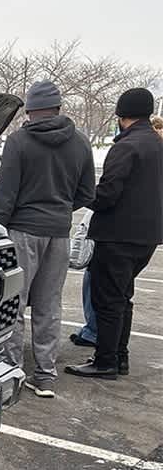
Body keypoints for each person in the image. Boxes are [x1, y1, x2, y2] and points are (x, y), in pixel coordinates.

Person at [0, 80, 96, 398]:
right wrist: (60, 210)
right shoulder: (81, 142)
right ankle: (46, 375)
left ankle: (12, 371)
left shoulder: (19, 142)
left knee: (13, 303)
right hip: (59, 234)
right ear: (58, 108)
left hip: (22, 232)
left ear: (31, 110)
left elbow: (5, 196)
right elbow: (87, 193)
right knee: (49, 305)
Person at [66, 89, 163, 379]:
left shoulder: (126, 147)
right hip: (147, 237)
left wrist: (81, 194)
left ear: (121, 115)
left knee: (107, 300)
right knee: (123, 297)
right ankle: (120, 357)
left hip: (117, 236)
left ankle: (105, 361)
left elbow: (107, 195)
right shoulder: (157, 144)